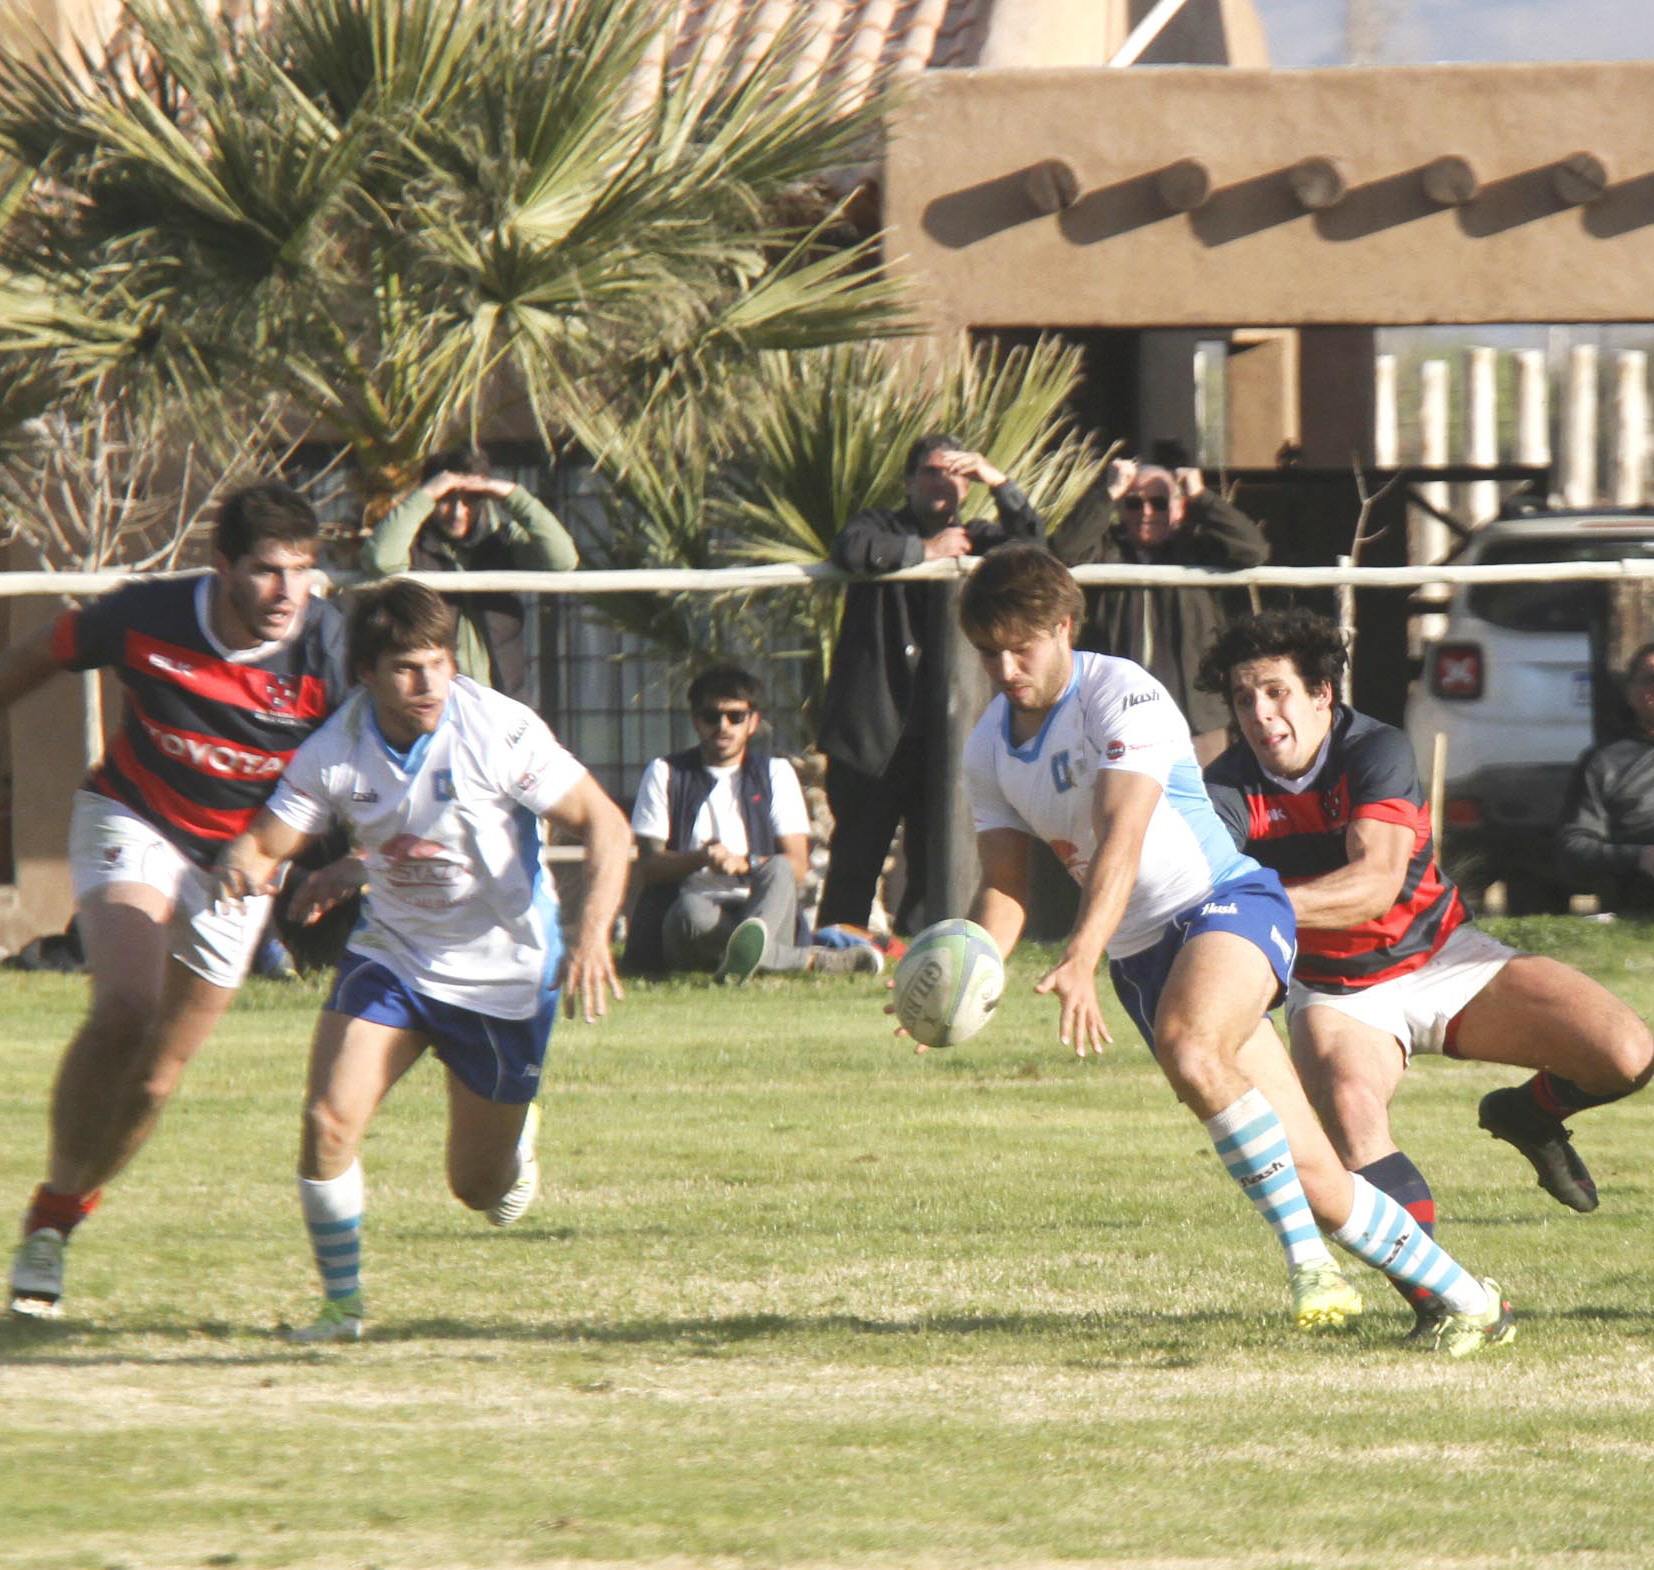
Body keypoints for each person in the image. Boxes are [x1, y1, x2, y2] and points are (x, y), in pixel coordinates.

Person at [946, 544, 1514, 1355]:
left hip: (1225, 905)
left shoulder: (1123, 695)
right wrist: (962, 970)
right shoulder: (988, 746)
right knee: (1315, 1174)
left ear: (1064, 626)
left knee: (1190, 1044)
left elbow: (1121, 835)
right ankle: (1472, 1301)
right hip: (1144, 954)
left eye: (1020, 648)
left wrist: (1080, 952)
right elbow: (1004, 887)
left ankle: (1309, 1265)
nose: (1005, 669)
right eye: (987, 652)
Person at [1198, 609, 1651, 1325]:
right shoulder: (1225, 785)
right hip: (1338, 992)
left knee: (1627, 1055)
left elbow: (1373, 886)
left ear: (1321, 693)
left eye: (1276, 692)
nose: (1260, 714)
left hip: (1445, 957)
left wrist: (1255, 905)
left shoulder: (1373, 749)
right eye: (1244, 697)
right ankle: (1447, 1306)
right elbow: (1198, 885)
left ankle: (1530, 1113)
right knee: (1355, 1126)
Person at [212, 579, 631, 1343]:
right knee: (328, 1119)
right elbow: (268, 841)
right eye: (407, 667)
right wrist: (238, 865)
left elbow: (605, 824)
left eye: (439, 661)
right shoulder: (336, 750)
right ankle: (342, 1308)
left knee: (478, 1190)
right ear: (366, 674)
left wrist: (593, 934)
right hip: (396, 957)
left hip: (504, 973)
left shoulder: (497, 729)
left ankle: (514, 1140)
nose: (429, 682)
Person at [6, 481, 352, 1318]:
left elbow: (368, 766)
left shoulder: (331, 649)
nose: (288, 593)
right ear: (221, 565)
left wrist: (311, 853)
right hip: (135, 817)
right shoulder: (148, 615)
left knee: (158, 1080)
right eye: (267, 571)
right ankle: (45, 1230)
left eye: (302, 571)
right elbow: (40, 652)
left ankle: (60, 1211)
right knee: (125, 1007)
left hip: (243, 860)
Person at [816, 434, 1042, 933]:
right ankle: (835, 951)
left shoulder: (978, 539)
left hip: (944, 734)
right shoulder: (878, 525)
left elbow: (1033, 549)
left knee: (935, 862)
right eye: (932, 471)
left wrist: (998, 480)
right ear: (909, 482)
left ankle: (924, 952)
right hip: (873, 731)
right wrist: (924, 551)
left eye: (958, 473)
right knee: (856, 856)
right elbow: (851, 549)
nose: (944, 482)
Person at [625, 663, 882, 981]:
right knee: (689, 911)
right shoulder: (665, 773)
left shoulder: (776, 773)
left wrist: (745, 864)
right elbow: (649, 866)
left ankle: (754, 953)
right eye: (711, 716)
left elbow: (797, 865)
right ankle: (805, 960)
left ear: (753, 722)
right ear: (695, 720)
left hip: (763, 912)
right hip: (696, 915)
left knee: (779, 868)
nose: (723, 726)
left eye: (735, 716)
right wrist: (702, 858)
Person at [1051, 458, 1267, 766]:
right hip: (1117, 715)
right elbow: (1063, 551)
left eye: (1158, 503)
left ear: (1178, 508)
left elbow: (1253, 550)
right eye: (1134, 504)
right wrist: (1108, 493)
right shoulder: (1106, 551)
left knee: (1205, 796)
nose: (1146, 513)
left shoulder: (1196, 549)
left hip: (1195, 719)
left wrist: (1200, 496)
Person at [360, 445, 579, 702]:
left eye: (470, 500)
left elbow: (562, 560)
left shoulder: (503, 541)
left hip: (502, 700)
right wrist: (426, 494)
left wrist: (512, 494)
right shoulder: (412, 548)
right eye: (446, 500)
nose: (457, 512)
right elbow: (381, 561)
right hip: (434, 700)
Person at [1557, 640, 1654, 914]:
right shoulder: (1604, 763)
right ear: (1631, 692)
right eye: (1650, 679)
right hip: (1636, 912)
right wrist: (1640, 857)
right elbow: (1573, 849)